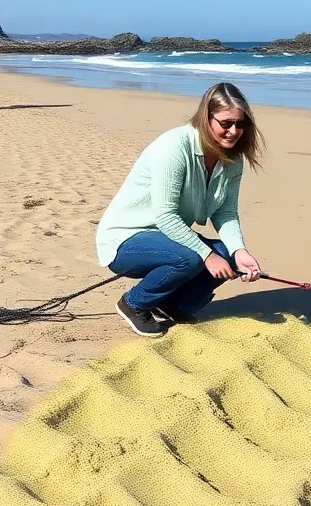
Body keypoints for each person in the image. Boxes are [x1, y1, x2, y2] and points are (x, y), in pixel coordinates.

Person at [95, 82, 264, 337]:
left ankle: (169, 305)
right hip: (125, 240)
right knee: (192, 258)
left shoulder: (233, 159)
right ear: (205, 118)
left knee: (226, 255)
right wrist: (207, 256)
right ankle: (133, 304)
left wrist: (240, 251)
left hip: (168, 238)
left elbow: (225, 212)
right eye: (226, 123)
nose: (234, 131)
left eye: (241, 124)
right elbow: (165, 215)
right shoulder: (174, 147)